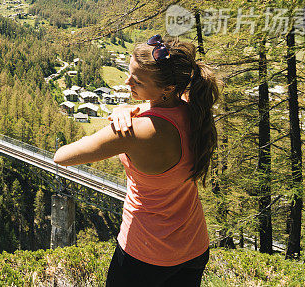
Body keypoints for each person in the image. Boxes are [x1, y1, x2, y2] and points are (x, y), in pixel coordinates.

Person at [53, 34, 221, 286]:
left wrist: (124, 117)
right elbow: (163, 112)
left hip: (146, 252)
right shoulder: (194, 110)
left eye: (137, 80)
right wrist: (133, 108)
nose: (126, 81)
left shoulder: (133, 132)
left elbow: (62, 157)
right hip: (193, 246)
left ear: (167, 88)